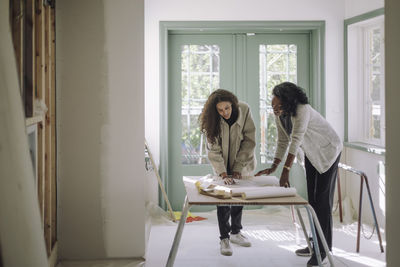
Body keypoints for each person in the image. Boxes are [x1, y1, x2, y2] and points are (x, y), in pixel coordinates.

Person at [255, 82, 342, 267]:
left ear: (288, 101)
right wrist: (273, 167)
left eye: (278, 106)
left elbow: (296, 139)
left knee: (322, 201)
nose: (275, 109)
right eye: (273, 106)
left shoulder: (302, 110)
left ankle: (323, 251)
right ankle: (314, 243)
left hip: (329, 151)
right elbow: (282, 141)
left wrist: (286, 171)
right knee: (312, 202)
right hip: (311, 154)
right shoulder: (281, 116)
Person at [199, 89, 256, 256]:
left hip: (243, 161)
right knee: (223, 199)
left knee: (239, 196)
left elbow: (249, 141)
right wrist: (223, 172)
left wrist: (238, 167)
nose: (224, 112)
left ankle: (236, 233)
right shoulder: (212, 119)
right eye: (220, 110)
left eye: (227, 108)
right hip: (221, 163)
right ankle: (224, 238)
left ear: (233, 104)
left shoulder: (244, 109)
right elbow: (213, 150)